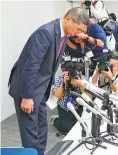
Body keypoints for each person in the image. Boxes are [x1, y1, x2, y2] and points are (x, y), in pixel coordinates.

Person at [8, 8, 89, 155]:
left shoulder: (63, 36)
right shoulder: (46, 33)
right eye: (78, 29)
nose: (79, 34)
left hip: (40, 89)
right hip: (26, 89)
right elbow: (31, 66)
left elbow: (48, 67)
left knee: (42, 130)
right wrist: (27, 97)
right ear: (69, 19)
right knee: (31, 134)